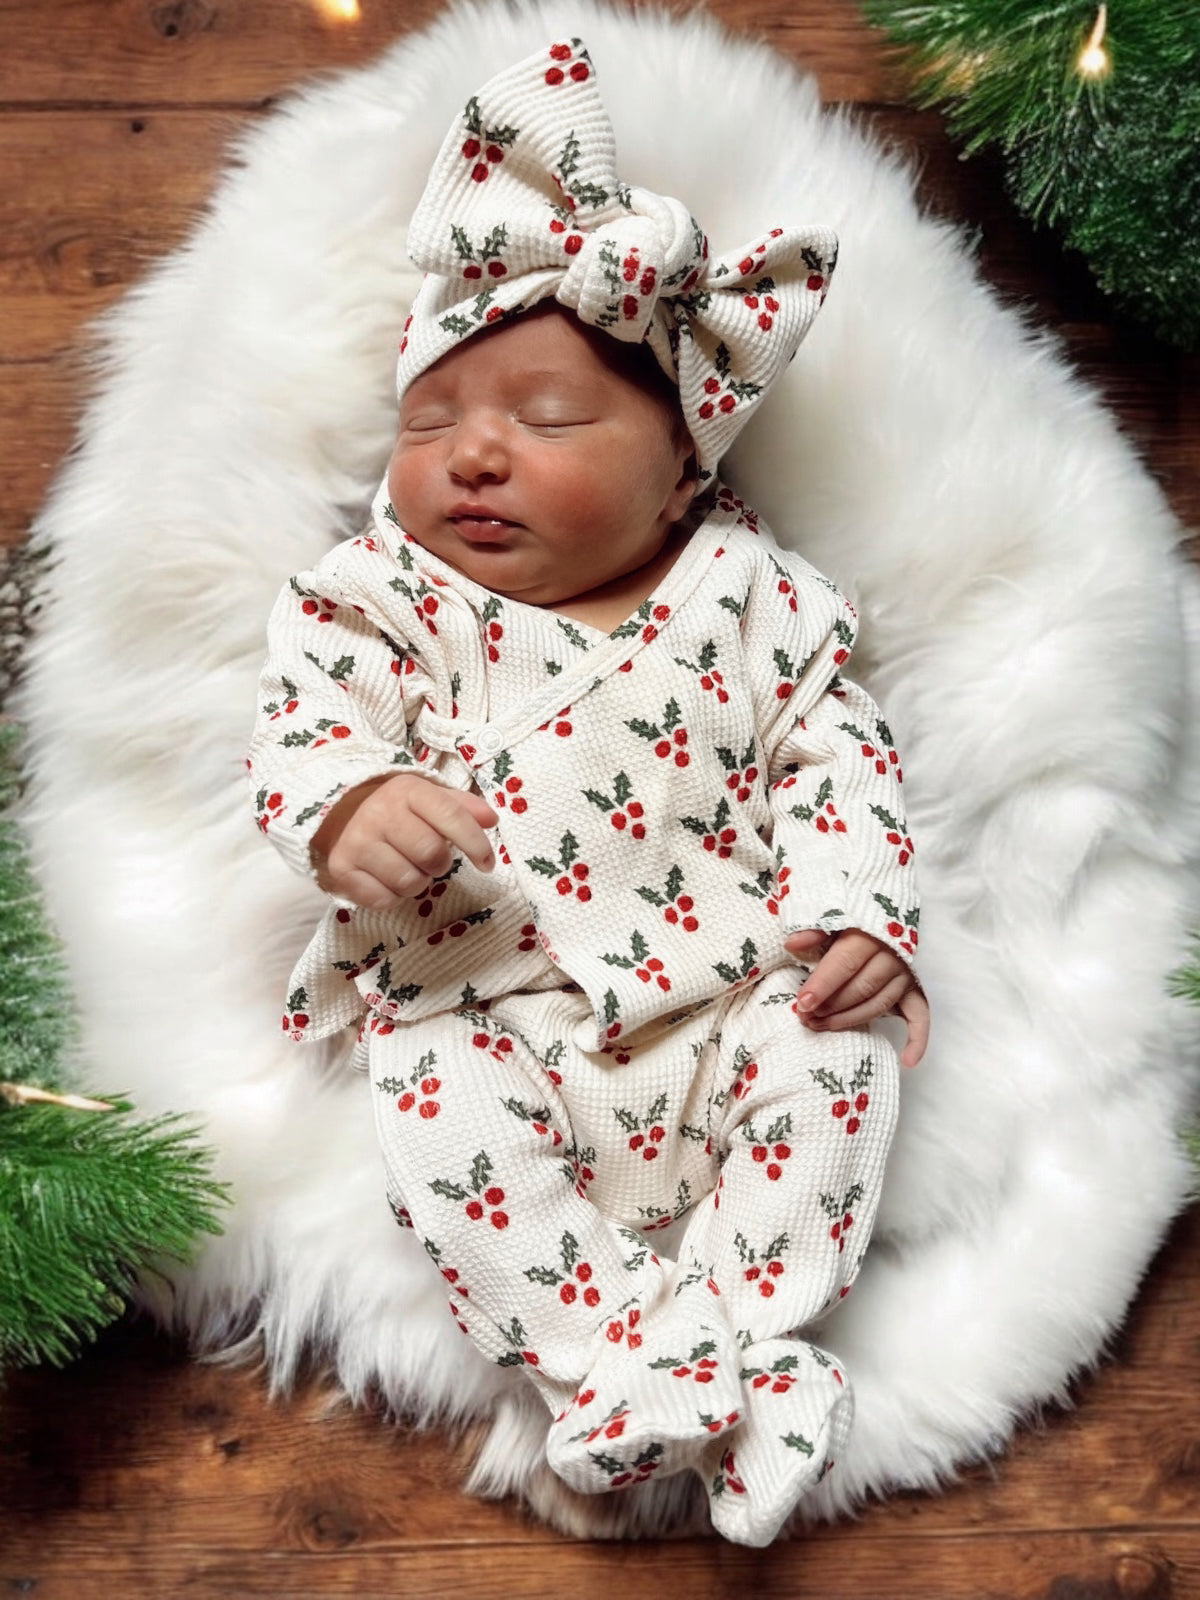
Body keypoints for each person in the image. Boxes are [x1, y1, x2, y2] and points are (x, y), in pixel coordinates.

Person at [248, 38, 928, 1547]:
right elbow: (303, 725)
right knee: (437, 1119)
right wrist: (352, 804)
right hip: (488, 996)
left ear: (687, 466)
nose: (472, 457)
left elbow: (838, 758)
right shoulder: (375, 594)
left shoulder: (760, 598)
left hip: (733, 991)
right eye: (433, 426)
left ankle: (744, 1342)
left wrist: (858, 914)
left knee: (844, 1061)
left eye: (546, 422)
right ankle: (610, 1362)